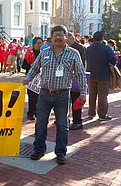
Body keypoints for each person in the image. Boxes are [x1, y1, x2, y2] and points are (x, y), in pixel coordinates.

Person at [22, 25, 87, 165]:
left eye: (61, 34)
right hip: (44, 93)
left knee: (63, 125)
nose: (57, 37)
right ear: (51, 37)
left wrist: (83, 93)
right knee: (40, 123)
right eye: (55, 34)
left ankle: (61, 152)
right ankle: (39, 150)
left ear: (66, 37)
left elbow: (81, 74)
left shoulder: (73, 53)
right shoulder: (44, 52)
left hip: (62, 95)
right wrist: (28, 78)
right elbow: (35, 67)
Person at [85, 31, 117, 121]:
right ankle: (102, 115)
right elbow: (114, 61)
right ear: (102, 38)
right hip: (103, 75)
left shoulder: (89, 49)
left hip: (91, 74)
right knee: (102, 96)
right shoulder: (106, 49)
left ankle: (91, 113)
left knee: (92, 95)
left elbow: (86, 60)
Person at [67, 32, 87, 130]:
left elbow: (81, 64)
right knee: (67, 101)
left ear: (71, 38)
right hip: (69, 78)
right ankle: (66, 119)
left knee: (76, 100)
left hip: (76, 77)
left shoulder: (78, 49)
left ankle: (77, 121)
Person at [24, 37, 43, 120]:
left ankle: (37, 112)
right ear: (34, 44)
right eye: (38, 43)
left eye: (41, 43)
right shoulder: (29, 52)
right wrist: (31, 66)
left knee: (39, 96)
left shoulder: (43, 53)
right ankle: (30, 113)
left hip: (40, 78)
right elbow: (23, 65)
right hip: (31, 78)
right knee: (32, 97)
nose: (40, 45)